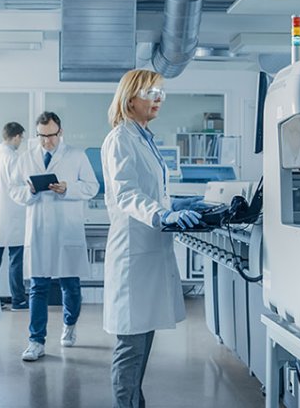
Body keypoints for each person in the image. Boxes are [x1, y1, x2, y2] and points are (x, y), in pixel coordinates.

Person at [101, 69, 202, 408]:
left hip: (149, 252)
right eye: (151, 92)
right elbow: (127, 193)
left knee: (142, 343)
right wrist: (163, 215)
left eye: (161, 92)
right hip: (132, 253)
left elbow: (153, 191)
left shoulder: (144, 137)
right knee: (130, 348)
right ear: (130, 99)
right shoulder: (120, 139)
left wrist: (180, 206)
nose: (158, 98)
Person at [8, 111, 99, 362]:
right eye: (41, 136)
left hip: (67, 228)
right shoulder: (26, 158)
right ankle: (36, 341)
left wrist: (69, 188)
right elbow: (13, 190)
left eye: (51, 136)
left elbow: (92, 187)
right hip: (38, 230)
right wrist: (29, 191)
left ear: (60, 132)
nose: (47, 141)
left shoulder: (76, 155)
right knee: (38, 286)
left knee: (70, 284)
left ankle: (70, 325)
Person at [0, 121, 29, 311]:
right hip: (13, 215)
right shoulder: (15, 158)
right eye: (21, 138)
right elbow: (18, 186)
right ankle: (18, 300)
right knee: (16, 260)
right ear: (16, 136)